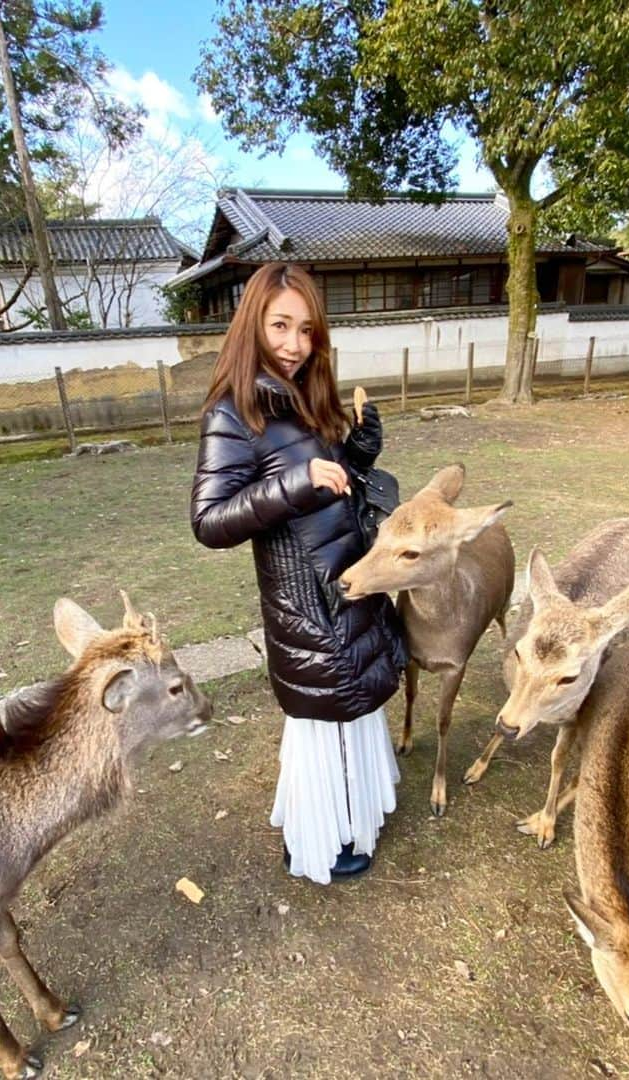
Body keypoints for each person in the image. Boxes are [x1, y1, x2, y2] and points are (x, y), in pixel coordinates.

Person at [190, 262, 407, 885]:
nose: (293, 344)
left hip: (351, 583)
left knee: (354, 715)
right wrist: (294, 483)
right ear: (252, 326)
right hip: (305, 605)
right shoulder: (233, 413)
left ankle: (353, 817)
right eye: (280, 325)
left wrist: (358, 449)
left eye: (306, 330)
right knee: (324, 727)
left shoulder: (304, 398)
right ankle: (319, 838)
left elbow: (334, 481)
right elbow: (209, 522)